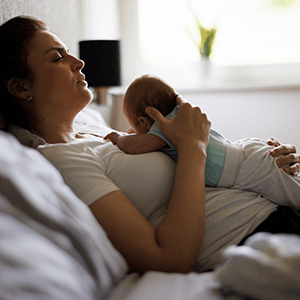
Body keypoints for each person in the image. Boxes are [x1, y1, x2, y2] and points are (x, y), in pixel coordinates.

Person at [1, 16, 300, 273]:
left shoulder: (91, 130)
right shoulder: (62, 160)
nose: (78, 62)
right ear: (21, 86)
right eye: (57, 57)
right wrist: (193, 148)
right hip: (256, 237)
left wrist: (260, 158)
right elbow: (168, 259)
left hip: (277, 211)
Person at [105, 74, 300, 210]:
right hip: (245, 151)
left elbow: (136, 146)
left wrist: (118, 137)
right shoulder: (180, 116)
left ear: (143, 121)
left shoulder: (163, 128)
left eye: (135, 126)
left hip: (246, 167)